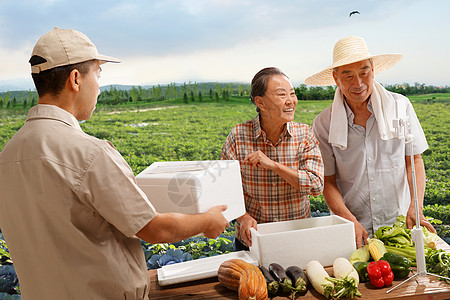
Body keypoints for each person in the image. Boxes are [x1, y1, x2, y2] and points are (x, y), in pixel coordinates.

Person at [0, 27, 229, 299]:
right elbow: (155, 229)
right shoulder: (89, 153)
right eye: (98, 74)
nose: (99, 85)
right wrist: (207, 220)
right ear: (75, 79)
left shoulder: (8, 155)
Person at [305, 36, 436, 249]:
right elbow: (327, 182)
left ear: (373, 70)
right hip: (353, 230)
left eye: (364, 73)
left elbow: (414, 161)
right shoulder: (323, 123)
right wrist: (350, 220)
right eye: (348, 76)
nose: (358, 84)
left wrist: (416, 206)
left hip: (400, 224)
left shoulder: (400, 106)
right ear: (335, 77)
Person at [221, 67, 324, 251]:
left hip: (297, 237)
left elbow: (316, 185)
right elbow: (225, 188)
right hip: (253, 239)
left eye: (292, 94)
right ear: (260, 102)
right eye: (281, 94)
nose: (291, 101)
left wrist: (274, 166)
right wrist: (243, 218)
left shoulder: (304, 134)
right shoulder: (238, 136)